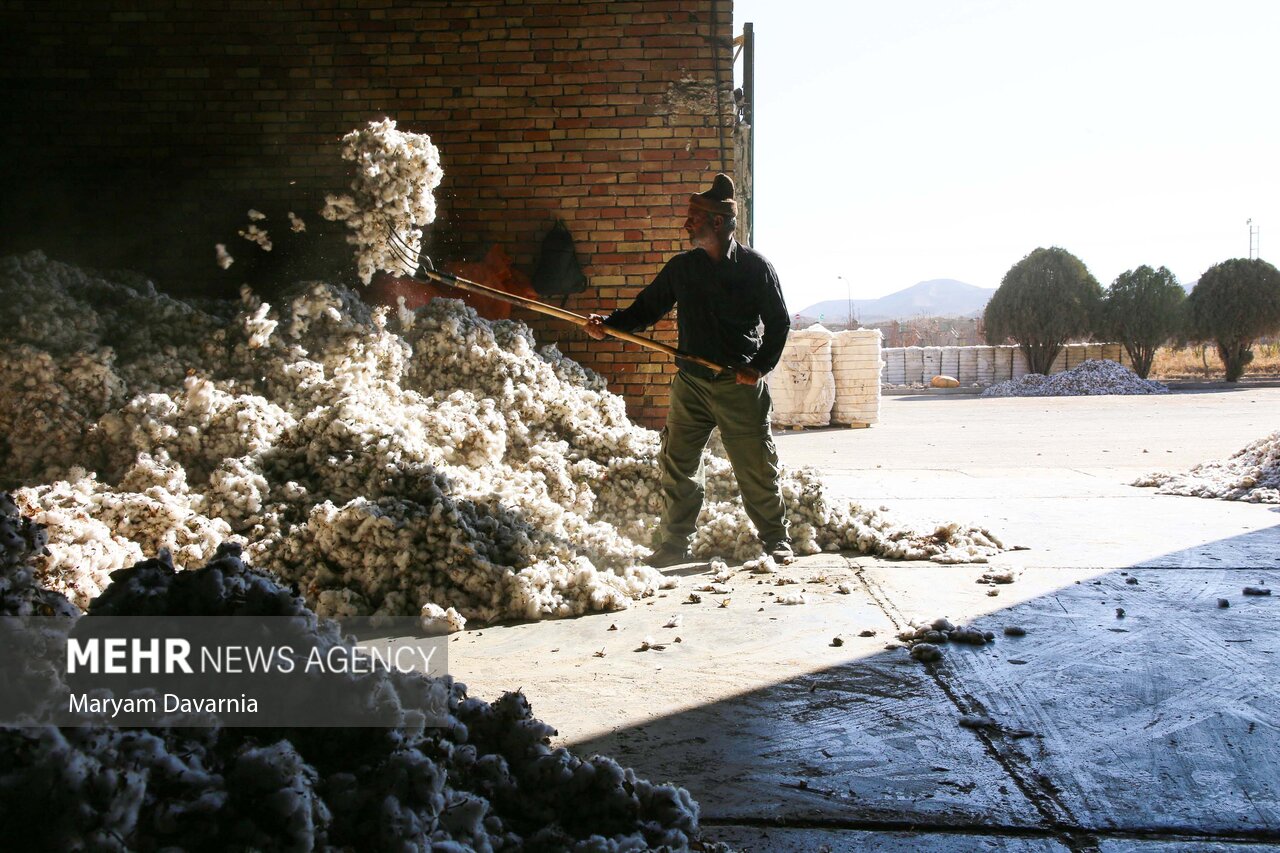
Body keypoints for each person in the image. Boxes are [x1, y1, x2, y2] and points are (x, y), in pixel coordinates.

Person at [586, 173, 793, 567]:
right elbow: (644, 310)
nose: (686, 224)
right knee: (678, 464)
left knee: (755, 465)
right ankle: (674, 544)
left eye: (693, 217)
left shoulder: (755, 268)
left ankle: (775, 539)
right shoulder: (683, 268)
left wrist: (760, 367)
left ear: (717, 222)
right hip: (691, 385)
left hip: (737, 384)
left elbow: (780, 324)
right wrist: (608, 326)